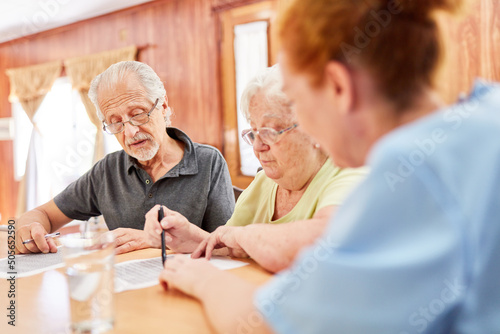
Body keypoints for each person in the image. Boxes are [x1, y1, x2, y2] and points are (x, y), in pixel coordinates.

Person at [158, 0, 500, 333]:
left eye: (300, 100)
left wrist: (201, 279)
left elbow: (266, 325)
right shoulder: (485, 115)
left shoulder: (414, 170)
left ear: (339, 87)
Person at [144, 65, 366, 272]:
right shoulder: (264, 183)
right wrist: (191, 237)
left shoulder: (349, 172)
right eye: (254, 132)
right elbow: (233, 246)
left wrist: (242, 236)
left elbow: (328, 240)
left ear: (315, 127)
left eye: (270, 131)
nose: (258, 146)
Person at [15, 61, 234, 255]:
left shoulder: (209, 162)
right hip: (125, 289)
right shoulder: (107, 171)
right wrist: (31, 228)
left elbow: (227, 248)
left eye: (138, 114)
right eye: (115, 122)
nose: (129, 133)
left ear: (163, 105)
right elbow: (43, 214)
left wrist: (155, 242)